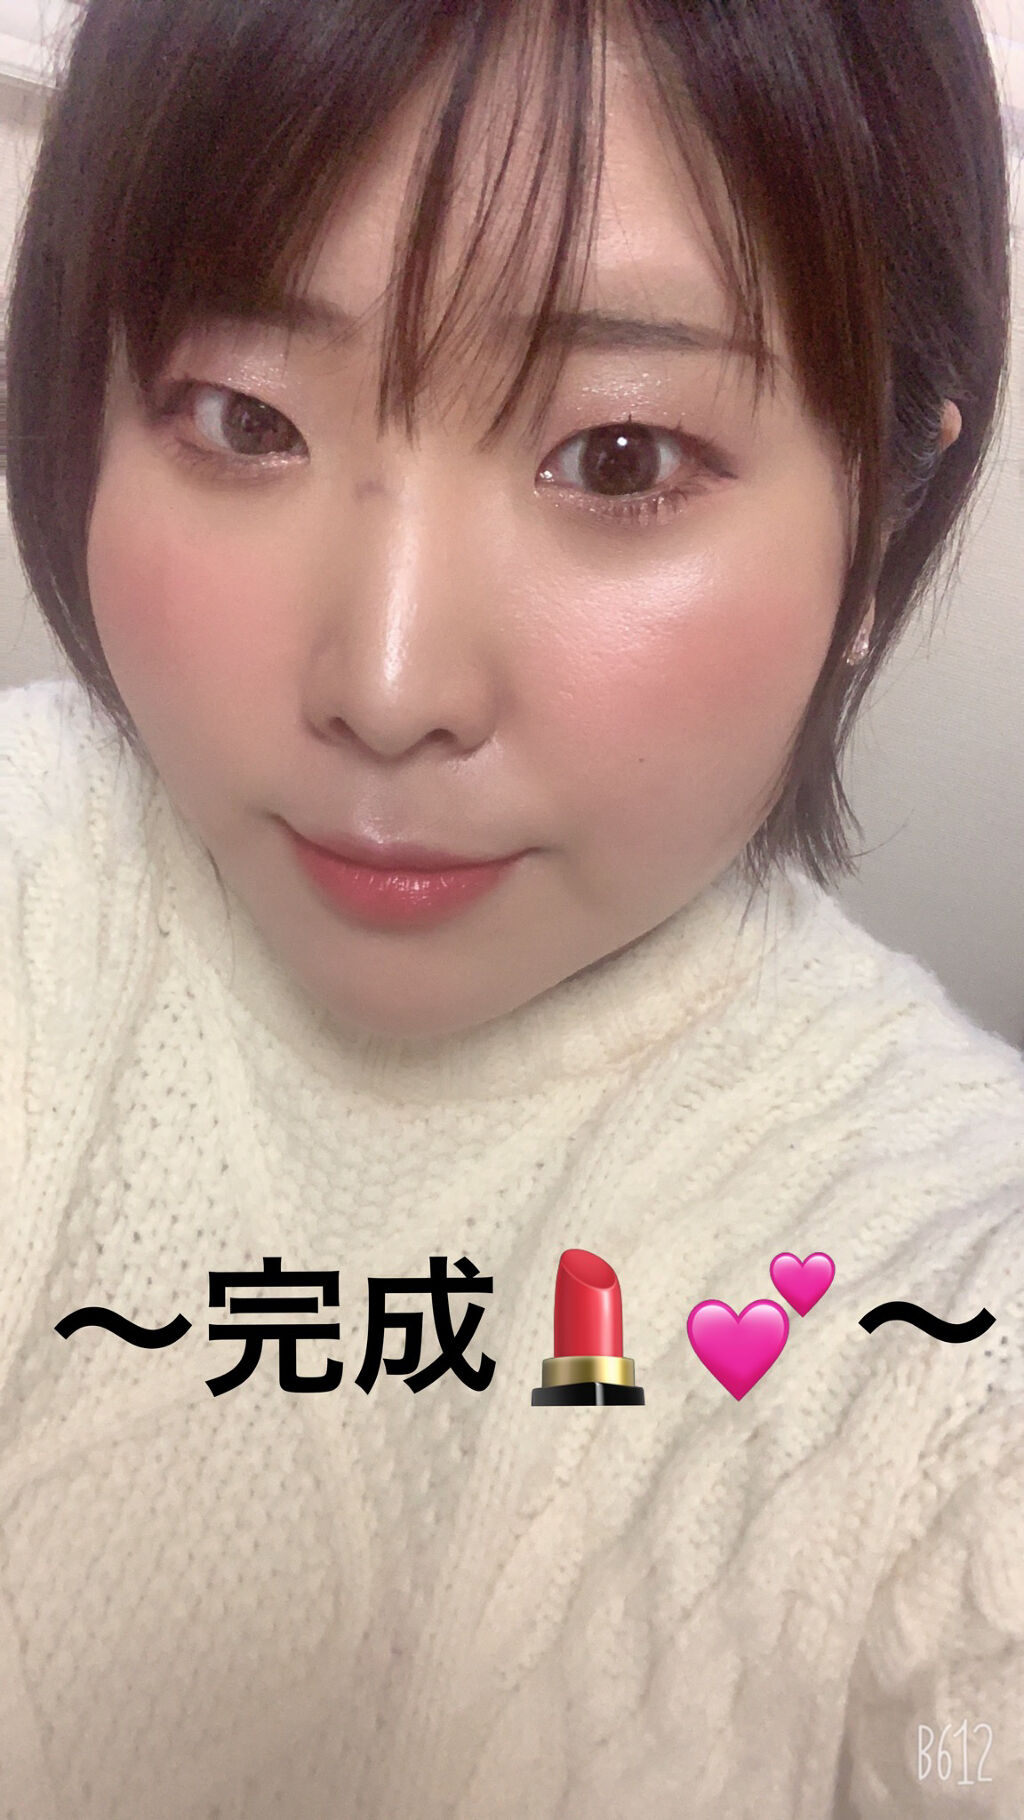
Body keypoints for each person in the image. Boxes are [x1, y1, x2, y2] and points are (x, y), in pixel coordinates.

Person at [1, 0, 1021, 1815]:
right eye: (242, 416)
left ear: (887, 506)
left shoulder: (948, 1307)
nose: (388, 687)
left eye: (620, 458)